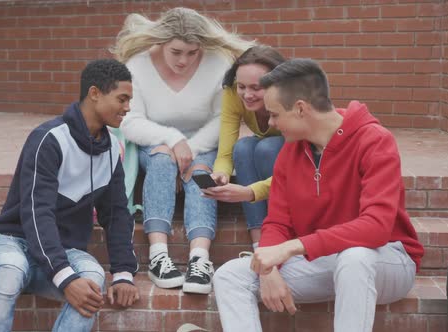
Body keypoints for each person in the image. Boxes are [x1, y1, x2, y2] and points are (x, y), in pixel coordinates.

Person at [213, 58, 424, 332]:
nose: (272, 123)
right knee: (229, 275)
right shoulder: (291, 151)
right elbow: (278, 222)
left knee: (355, 258)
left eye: (275, 114)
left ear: (300, 108)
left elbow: (376, 228)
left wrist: (290, 248)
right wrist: (268, 268)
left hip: (387, 261)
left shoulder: (374, 140)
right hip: (325, 259)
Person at [0, 59, 139, 332]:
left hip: (62, 251)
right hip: (13, 241)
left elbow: (117, 214)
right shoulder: (49, 139)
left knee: (93, 278)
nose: (128, 108)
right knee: (10, 269)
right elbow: (37, 213)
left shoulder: (111, 149)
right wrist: (64, 277)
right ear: (95, 93)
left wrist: (123, 273)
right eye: (122, 99)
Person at [111, 7, 254, 294]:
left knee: (201, 171)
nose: (184, 60)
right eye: (176, 51)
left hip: (203, 144)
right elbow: (130, 120)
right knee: (163, 160)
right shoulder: (137, 65)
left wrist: (190, 148)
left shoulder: (219, 63)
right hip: (156, 141)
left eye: (192, 52)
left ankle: (200, 259)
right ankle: (158, 256)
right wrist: (173, 140)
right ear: (161, 43)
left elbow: (223, 118)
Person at [203, 44, 286, 249]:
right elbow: (225, 152)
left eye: (256, 88)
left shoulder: (290, 98)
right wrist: (220, 175)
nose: (247, 94)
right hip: (266, 155)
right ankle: (259, 244)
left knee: (266, 148)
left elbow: (297, 168)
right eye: (242, 86)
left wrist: (249, 191)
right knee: (243, 147)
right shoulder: (232, 94)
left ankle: (283, 234)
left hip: (293, 160)